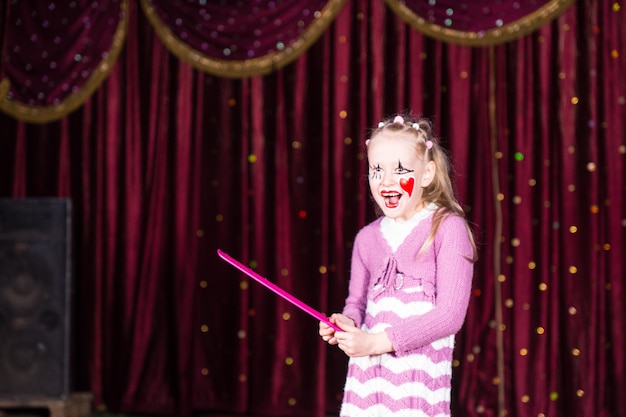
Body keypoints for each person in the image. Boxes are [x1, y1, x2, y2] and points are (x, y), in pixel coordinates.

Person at [319, 114, 477, 416]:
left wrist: (376, 342)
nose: (386, 180)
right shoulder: (366, 238)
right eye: (377, 169)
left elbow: (450, 316)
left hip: (415, 387)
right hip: (368, 383)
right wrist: (346, 325)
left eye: (400, 169)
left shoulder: (447, 228)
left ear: (427, 174)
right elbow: (356, 304)